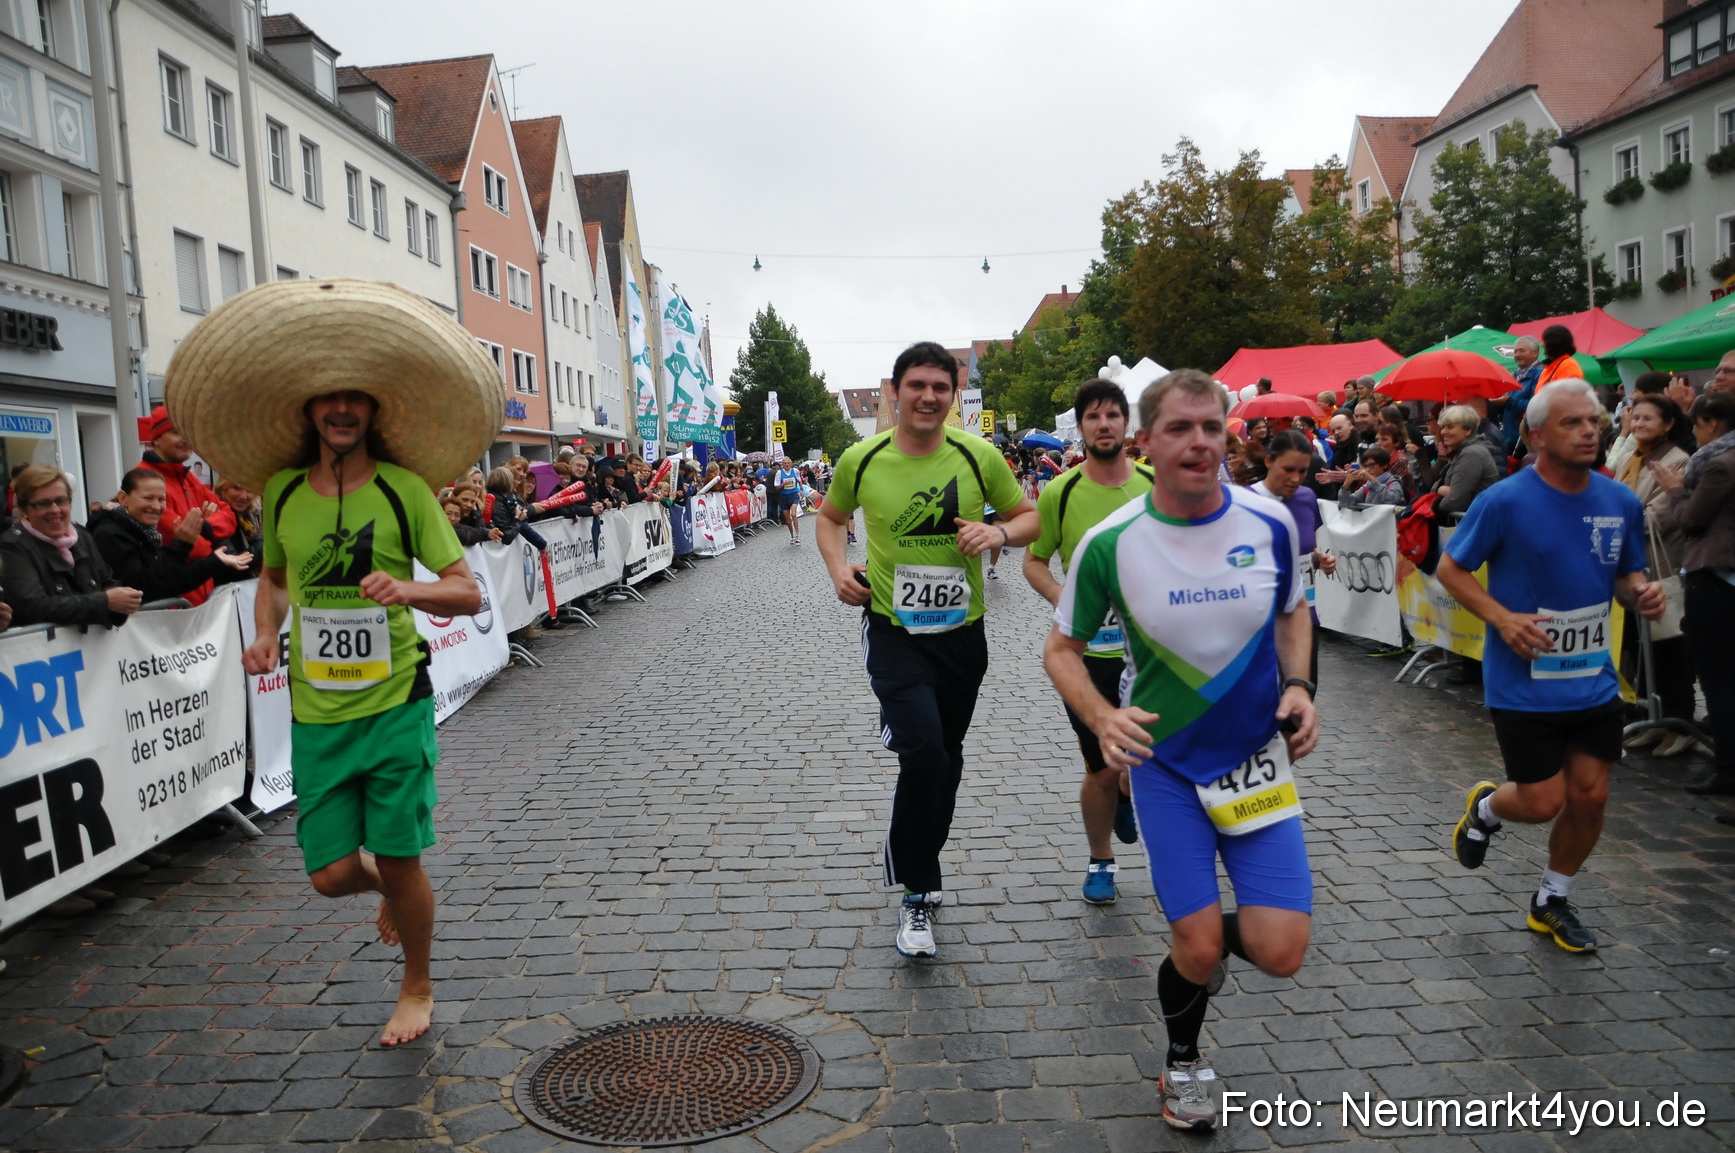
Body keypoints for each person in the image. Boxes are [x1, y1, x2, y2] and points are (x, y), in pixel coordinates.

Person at [166, 278, 495, 1047]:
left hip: (394, 702)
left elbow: (467, 594)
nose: (341, 408)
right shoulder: (279, 492)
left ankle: (416, 983)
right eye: (328, 398)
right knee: (328, 873)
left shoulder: (402, 487)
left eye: (356, 397)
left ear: (373, 409)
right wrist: (262, 628)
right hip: (316, 709)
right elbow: (273, 577)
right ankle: (386, 887)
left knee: (399, 852)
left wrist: (404, 586)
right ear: (308, 409)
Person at [1044, 369, 1317, 1132]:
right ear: (1144, 443)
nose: (1199, 441)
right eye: (1179, 428)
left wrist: (1298, 684)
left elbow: (1294, 614)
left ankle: (1197, 945)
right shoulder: (1110, 541)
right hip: (1163, 766)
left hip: (1254, 761)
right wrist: (1101, 716)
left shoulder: (1268, 524)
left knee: (1281, 948)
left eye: (1211, 426)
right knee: (1197, 947)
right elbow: (1060, 649)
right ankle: (1184, 1058)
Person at [817, 342, 1037, 959]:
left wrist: (998, 530)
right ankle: (916, 889)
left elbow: (1029, 517)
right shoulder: (862, 459)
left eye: (940, 387)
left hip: (963, 635)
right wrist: (838, 568)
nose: (929, 397)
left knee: (948, 758)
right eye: (917, 385)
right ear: (895, 390)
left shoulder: (978, 454)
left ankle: (927, 863)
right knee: (924, 755)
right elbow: (829, 519)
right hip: (893, 631)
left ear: (953, 391)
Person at [1442, 380, 1665, 953]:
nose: (1591, 430)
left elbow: (1625, 576)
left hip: (1592, 679)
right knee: (1541, 802)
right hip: (1524, 682)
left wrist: (1641, 594)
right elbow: (1451, 570)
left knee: (1590, 796)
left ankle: (1552, 899)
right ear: (1538, 434)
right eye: (1573, 423)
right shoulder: (1505, 501)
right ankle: (1487, 808)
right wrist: (1503, 619)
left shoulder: (1619, 501)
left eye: (1594, 421)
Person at [1024, 379, 1153, 905]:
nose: (1104, 424)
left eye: (1112, 416)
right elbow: (1033, 561)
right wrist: (1066, 600)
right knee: (1100, 766)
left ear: (1127, 426)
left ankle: (1130, 791)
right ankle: (1101, 860)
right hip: (1089, 656)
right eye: (1093, 417)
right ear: (1080, 428)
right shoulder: (1062, 491)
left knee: (1144, 761)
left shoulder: (1153, 482)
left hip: (1151, 655)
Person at [1649, 392, 1735, 794]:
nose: (1694, 432)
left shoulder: (1719, 465)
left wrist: (1674, 488)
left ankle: (1728, 767)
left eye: (1696, 424)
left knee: (1718, 680)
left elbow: (1690, 519)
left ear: (1712, 425)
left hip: (1716, 579)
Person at [1614, 393, 1696, 758]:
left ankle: (1680, 723)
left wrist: (1613, 519)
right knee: (1639, 648)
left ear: (1668, 424)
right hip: (1630, 569)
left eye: (1650, 419)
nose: (1640, 424)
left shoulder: (1679, 461)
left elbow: (1655, 518)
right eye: (1637, 417)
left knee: (1668, 649)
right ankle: (1652, 715)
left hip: (1659, 568)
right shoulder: (1633, 459)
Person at [0, 463, 141, 627]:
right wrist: (104, 602)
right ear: (25, 508)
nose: (55, 510)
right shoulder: (12, 546)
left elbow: (106, 582)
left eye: (61, 501)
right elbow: (33, 606)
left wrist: (123, 601)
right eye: (44, 503)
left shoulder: (82, 536)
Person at [91, 467, 253, 601]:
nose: (156, 506)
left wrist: (215, 560)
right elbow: (148, 588)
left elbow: (175, 581)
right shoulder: (110, 534)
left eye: (161, 499)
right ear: (123, 498)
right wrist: (182, 544)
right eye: (148, 498)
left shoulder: (147, 532)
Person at [1252, 430, 1334, 681]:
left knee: (1303, 695)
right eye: (1288, 469)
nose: (1296, 478)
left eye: (1302, 471)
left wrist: (1319, 561)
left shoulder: (1307, 498)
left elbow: (1307, 550)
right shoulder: (1246, 502)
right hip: (1262, 622)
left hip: (1304, 616)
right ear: (1269, 461)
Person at [138, 405, 237, 606]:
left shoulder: (187, 478)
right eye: (176, 432)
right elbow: (194, 549)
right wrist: (214, 539)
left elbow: (229, 516)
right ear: (156, 438)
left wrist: (205, 527)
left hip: (203, 599)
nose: (185, 439)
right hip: (174, 606)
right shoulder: (144, 481)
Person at [1432, 405, 1499, 517]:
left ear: (1468, 430)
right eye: (1443, 427)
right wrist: (1441, 489)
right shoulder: (1460, 452)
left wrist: (1434, 503)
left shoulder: (1471, 453)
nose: (1443, 432)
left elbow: (1454, 503)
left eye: (1450, 427)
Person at [1500, 335, 1542, 457]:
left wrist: (1509, 401)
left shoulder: (1540, 375)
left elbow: (1536, 406)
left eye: (1522, 350)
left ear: (1535, 353)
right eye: (1515, 351)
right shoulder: (1514, 375)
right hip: (1508, 437)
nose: (1517, 355)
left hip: (1524, 441)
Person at [1535, 324, 1585, 391]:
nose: (1542, 344)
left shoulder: (1569, 365)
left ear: (1553, 343)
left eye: (1544, 341)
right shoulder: (1549, 367)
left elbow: (1571, 395)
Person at [773, 455, 803, 542]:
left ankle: (797, 534)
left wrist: (801, 489)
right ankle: (792, 535)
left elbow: (799, 481)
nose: (787, 465)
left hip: (793, 495)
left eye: (788, 463)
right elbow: (777, 487)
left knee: (793, 514)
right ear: (782, 464)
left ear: (791, 464)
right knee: (788, 520)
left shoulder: (795, 471)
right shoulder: (779, 473)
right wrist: (783, 484)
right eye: (785, 463)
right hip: (783, 497)